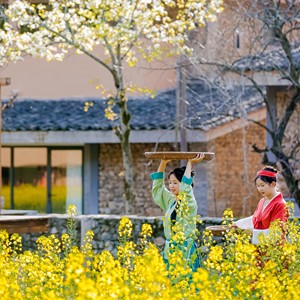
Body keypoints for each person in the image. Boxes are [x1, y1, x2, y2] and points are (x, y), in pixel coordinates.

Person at [150, 153, 204, 271]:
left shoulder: (189, 201)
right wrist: (163, 163)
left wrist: (190, 163)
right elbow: (158, 190)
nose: (171, 186)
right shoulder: (171, 201)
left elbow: (186, 188)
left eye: (175, 183)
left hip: (185, 250)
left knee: (186, 283)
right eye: (170, 183)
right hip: (170, 250)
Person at [234, 166, 288, 244]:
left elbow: (277, 233)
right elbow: (255, 219)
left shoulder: (280, 204)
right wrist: (237, 224)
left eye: (262, 185)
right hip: (260, 247)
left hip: (274, 249)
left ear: (273, 184)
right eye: (258, 186)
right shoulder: (262, 201)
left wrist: (254, 232)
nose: (260, 189)